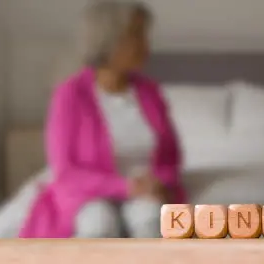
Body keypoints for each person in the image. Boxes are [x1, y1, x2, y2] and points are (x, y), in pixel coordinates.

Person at [16, 0, 185, 238]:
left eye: (145, 35)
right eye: (136, 36)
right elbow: (65, 171)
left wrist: (161, 182)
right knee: (98, 224)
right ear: (109, 40)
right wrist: (126, 187)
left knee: (151, 219)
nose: (146, 45)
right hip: (88, 192)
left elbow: (171, 156)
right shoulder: (70, 95)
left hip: (145, 191)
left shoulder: (150, 92)